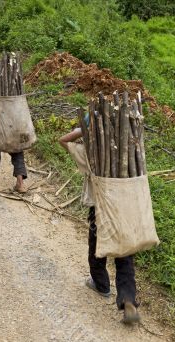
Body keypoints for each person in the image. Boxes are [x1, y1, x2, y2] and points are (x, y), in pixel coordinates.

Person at [59, 126, 140, 324]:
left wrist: (81, 130)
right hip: (126, 209)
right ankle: (128, 299)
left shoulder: (91, 152)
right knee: (124, 255)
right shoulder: (130, 150)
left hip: (100, 212)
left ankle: (101, 285)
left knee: (96, 250)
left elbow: (63, 140)